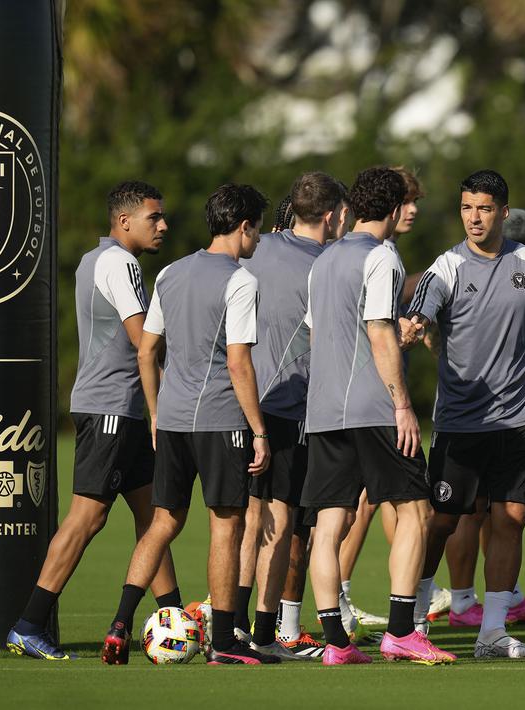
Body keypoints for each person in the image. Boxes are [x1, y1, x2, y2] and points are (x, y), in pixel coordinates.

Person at [101, 183, 274, 665]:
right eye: (257, 230)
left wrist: (156, 415)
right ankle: (223, 642)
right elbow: (239, 364)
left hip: (174, 420)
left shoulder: (171, 273)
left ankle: (120, 623)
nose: (257, 240)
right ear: (243, 227)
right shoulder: (242, 281)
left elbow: (146, 351)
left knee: (161, 524)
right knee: (226, 525)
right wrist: (259, 431)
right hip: (221, 421)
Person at [6, 181, 178, 661]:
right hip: (110, 408)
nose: (162, 225)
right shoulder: (121, 263)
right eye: (154, 218)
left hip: (118, 406)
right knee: (89, 516)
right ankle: (28, 624)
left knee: (154, 518)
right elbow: (144, 338)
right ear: (124, 222)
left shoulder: (93, 259)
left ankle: (174, 618)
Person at [301, 166, 454, 665]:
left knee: (329, 526)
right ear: (392, 211)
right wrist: (403, 404)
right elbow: (378, 331)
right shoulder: (383, 255)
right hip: (372, 407)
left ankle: (336, 643)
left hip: (322, 410)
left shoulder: (323, 260)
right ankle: (401, 631)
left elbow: (320, 331)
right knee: (415, 511)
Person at [403, 170, 525, 658]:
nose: (474, 218)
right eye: (467, 208)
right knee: (442, 523)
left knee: (511, 518)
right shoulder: (447, 266)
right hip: (460, 423)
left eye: (484, 208)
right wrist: (414, 323)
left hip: (518, 418)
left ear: (504, 212)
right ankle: (414, 623)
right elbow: (423, 305)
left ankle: (492, 633)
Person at [231, 172, 347, 659]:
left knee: (245, 519)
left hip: (240, 400)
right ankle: (262, 634)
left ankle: (232, 625)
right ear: (330, 215)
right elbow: (330, 343)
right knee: (279, 520)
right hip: (290, 408)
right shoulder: (326, 266)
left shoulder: (259, 248)